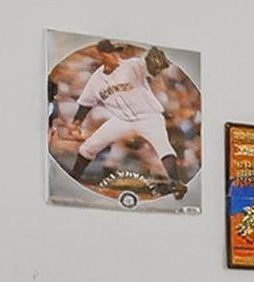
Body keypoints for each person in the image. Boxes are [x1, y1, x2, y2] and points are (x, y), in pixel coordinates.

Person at [65, 45, 177, 187]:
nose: (116, 55)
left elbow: (149, 67)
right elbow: (86, 103)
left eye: (116, 52)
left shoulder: (133, 65)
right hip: (122, 120)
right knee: (88, 147)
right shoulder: (95, 80)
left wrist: (154, 64)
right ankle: (74, 178)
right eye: (111, 53)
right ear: (102, 56)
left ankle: (176, 184)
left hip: (149, 116)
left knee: (164, 148)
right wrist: (76, 123)